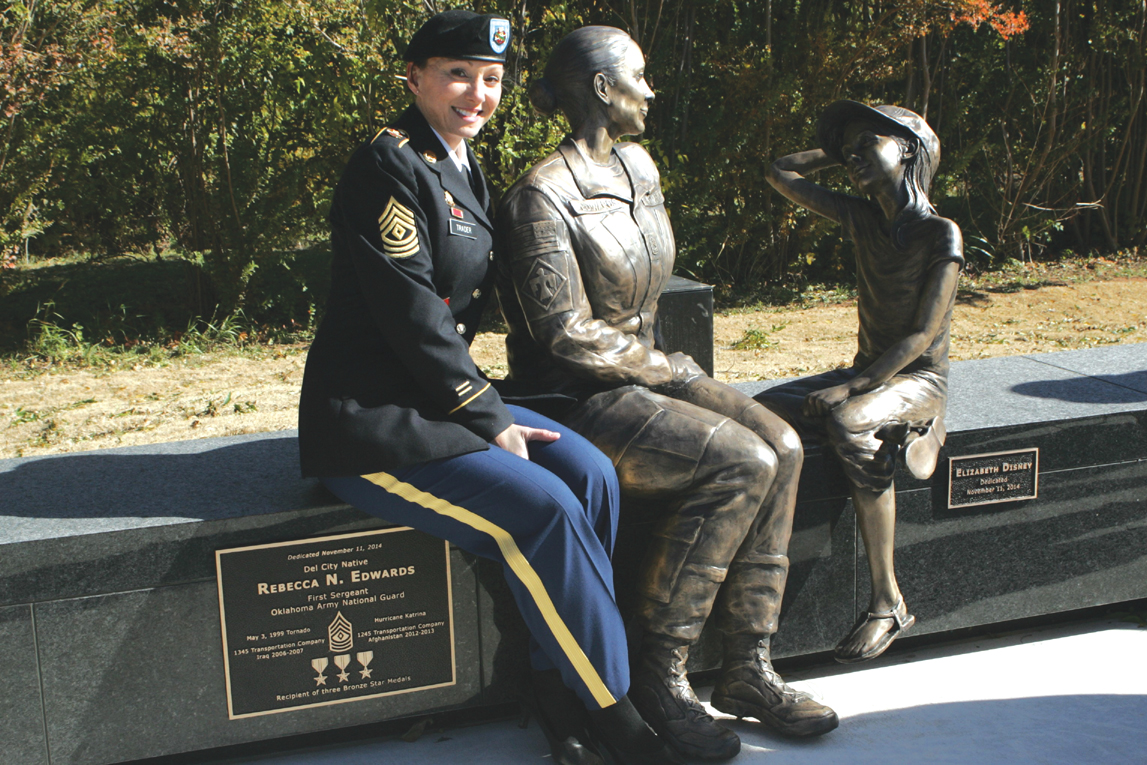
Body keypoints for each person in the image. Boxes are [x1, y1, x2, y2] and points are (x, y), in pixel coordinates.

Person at [297, 12, 681, 765]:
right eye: (457, 74)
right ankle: (612, 709)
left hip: (439, 401)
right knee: (545, 507)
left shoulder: (460, 162)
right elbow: (413, 316)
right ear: (413, 78)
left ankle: (548, 681)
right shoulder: (388, 164)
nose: (477, 94)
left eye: (493, 79)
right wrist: (487, 416)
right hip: (375, 423)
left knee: (592, 475)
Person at [496, 26, 838, 762]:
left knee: (782, 441)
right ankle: (661, 675)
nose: (650, 91)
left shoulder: (639, 166)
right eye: (639, 76)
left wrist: (669, 370)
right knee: (741, 460)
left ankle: (747, 666)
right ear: (600, 87)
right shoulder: (537, 196)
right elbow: (563, 335)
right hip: (576, 394)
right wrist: (667, 371)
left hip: (649, 371)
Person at [757, 100, 963, 664]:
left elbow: (922, 335)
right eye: (847, 151)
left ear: (908, 148)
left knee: (848, 421)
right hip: (868, 375)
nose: (852, 158)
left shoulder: (940, 234)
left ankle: (887, 601)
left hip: (916, 379)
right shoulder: (863, 216)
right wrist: (842, 149)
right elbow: (780, 172)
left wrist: (855, 388)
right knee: (757, 412)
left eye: (868, 142)